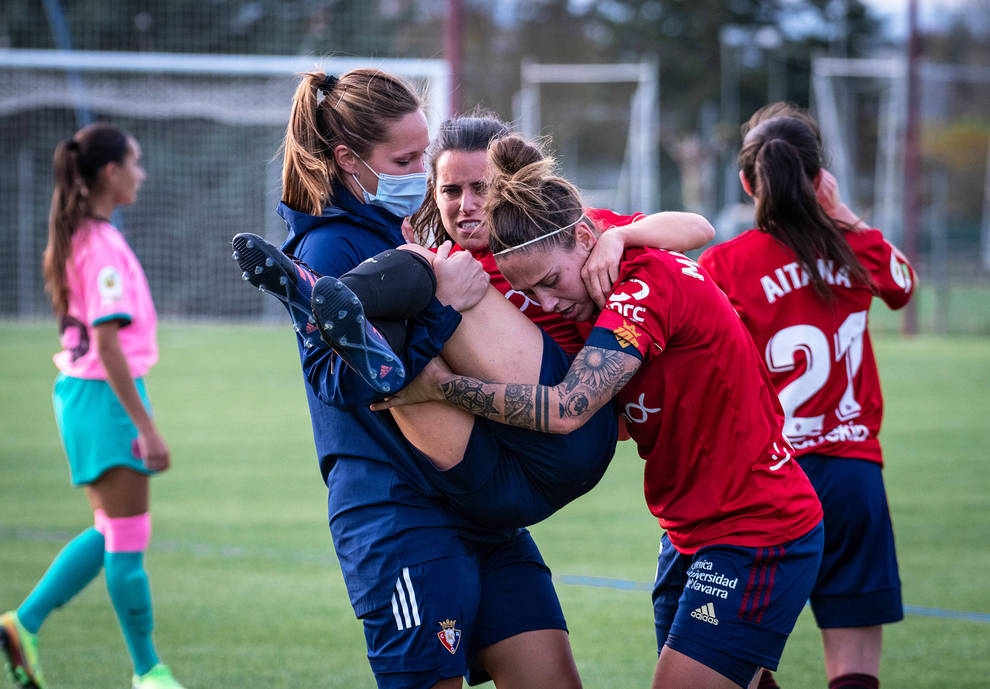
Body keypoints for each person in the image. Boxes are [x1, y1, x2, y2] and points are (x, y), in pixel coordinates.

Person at [367, 133, 826, 689]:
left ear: (587, 237)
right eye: (530, 293)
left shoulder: (641, 286)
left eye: (551, 284)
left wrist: (440, 388)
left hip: (757, 527)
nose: (547, 304)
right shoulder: (575, 274)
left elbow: (567, 408)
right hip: (685, 531)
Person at [231, 67, 609, 689]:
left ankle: (348, 308)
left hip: (476, 504)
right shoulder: (330, 247)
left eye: (420, 157)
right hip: (400, 514)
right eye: (405, 160)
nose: (418, 175)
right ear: (350, 159)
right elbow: (336, 382)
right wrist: (439, 310)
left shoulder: (409, 231)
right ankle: (323, 302)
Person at [697, 104, 916, 689]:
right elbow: (903, 285)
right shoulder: (853, 252)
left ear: (747, 183)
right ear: (820, 180)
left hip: (768, 479)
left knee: (736, 656)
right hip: (852, 477)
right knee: (854, 665)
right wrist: (840, 213)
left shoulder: (724, 265)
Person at [0, 124, 185, 689]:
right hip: (104, 398)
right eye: (135, 161)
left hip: (83, 395)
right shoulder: (100, 243)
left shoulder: (80, 233)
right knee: (128, 541)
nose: (141, 173)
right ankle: (148, 672)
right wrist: (146, 427)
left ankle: (21, 625)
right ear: (110, 172)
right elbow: (108, 344)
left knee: (111, 530)